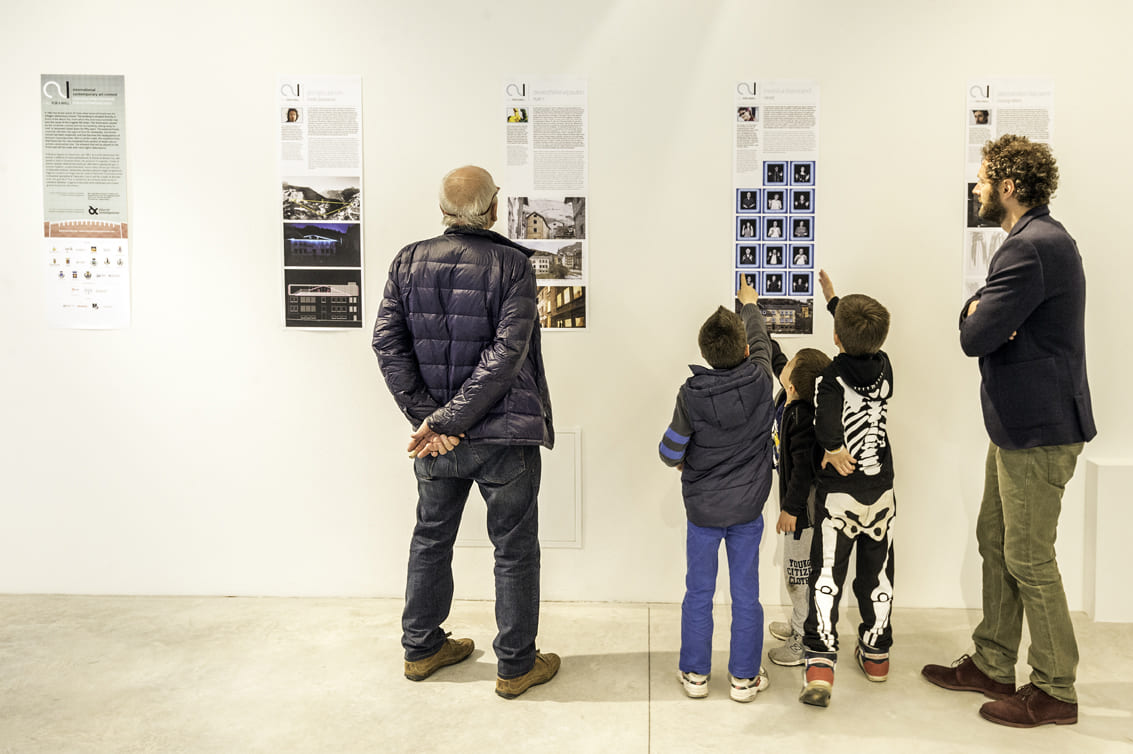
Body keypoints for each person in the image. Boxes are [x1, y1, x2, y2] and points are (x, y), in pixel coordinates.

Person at [922, 135, 1096, 728]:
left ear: (1009, 187)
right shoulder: (1033, 243)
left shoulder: (1032, 249)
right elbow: (982, 321)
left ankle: (1055, 689)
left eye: (982, 178)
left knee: (1027, 555)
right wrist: (982, 313)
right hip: (1021, 425)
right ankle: (994, 661)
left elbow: (975, 335)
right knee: (994, 537)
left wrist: (981, 317)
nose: (976, 188)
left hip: (1039, 428)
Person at [372, 165, 559, 700]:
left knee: (431, 538)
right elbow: (506, 355)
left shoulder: (407, 260)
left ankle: (422, 649)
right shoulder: (514, 265)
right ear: (494, 209)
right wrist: (443, 422)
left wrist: (429, 420)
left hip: (438, 440)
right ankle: (516, 666)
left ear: (444, 210)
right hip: (506, 438)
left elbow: (387, 345)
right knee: (515, 549)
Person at [658, 275, 776, 702]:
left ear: (705, 355)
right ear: (745, 351)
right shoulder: (762, 379)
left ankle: (695, 675)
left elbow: (670, 452)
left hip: (703, 514)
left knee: (699, 592)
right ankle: (744, 679)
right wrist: (748, 304)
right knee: (747, 593)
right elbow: (761, 341)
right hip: (747, 512)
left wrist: (684, 459)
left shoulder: (691, 394)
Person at [800, 270, 895, 708]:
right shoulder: (885, 367)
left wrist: (835, 448)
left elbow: (824, 424)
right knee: (877, 576)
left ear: (835, 340)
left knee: (827, 575)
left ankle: (821, 658)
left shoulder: (830, 378)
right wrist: (834, 300)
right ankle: (876, 653)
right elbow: (862, 337)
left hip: (840, 495)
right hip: (881, 494)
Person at [766, 341, 831, 667]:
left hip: (803, 516)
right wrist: (762, 329)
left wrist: (791, 509)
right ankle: (797, 625)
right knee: (797, 575)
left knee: (799, 577)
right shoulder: (791, 401)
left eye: (790, 362)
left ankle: (804, 639)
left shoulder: (803, 419)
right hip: (797, 512)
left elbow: (803, 470)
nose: (784, 363)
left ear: (791, 385)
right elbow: (778, 361)